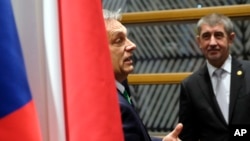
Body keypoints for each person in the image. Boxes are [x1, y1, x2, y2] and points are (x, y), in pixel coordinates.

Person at [103, 9, 183, 141]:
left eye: (127, 38)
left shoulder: (121, 85)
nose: (132, 45)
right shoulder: (115, 107)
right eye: (119, 40)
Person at [179, 13, 250, 141]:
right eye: (206, 36)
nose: (212, 43)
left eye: (218, 35)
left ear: (231, 39)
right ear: (199, 42)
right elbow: (188, 136)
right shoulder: (190, 86)